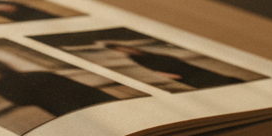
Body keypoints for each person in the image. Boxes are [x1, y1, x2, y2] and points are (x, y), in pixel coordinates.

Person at [0, 56, 119, 117]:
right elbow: (22, 101)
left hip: (71, 107)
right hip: (76, 105)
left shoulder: (0, 86)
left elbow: (22, 101)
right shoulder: (36, 74)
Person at [103, 43, 242, 90]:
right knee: (202, 81)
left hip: (180, 67)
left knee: (208, 76)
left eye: (121, 48)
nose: (123, 50)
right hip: (174, 71)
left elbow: (160, 58)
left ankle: (231, 82)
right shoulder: (134, 56)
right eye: (119, 49)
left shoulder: (140, 52)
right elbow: (151, 68)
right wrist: (167, 75)